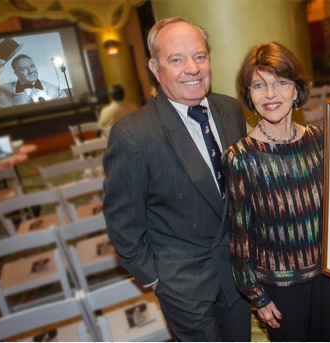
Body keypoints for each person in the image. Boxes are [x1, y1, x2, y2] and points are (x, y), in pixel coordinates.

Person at [102, 17, 250, 342]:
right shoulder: (133, 135)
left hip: (236, 270)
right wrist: (157, 280)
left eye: (199, 56)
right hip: (183, 284)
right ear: (155, 68)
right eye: (176, 59)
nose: (192, 69)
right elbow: (123, 225)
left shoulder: (229, 110)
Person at [221, 41, 330, 342]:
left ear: (297, 89)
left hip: (326, 280)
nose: (271, 95)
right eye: (258, 85)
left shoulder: (319, 140)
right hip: (280, 290)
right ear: (249, 96)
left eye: (281, 82)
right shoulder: (241, 157)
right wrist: (257, 296)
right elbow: (240, 237)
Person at [0, 53, 66, 109]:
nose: (31, 71)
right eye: (24, 69)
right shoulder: (1, 92)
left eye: (32, 66)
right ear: (16, 73)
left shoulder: (55, 90)